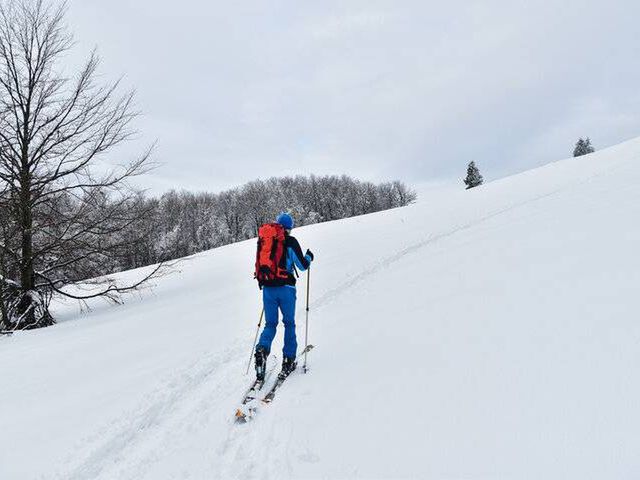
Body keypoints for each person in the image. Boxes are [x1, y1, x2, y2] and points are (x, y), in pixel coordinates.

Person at [255, 213, 313, 380]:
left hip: (268, 288)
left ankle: (262, 349)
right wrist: (309, 257)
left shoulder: (267, 240)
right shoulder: (291, 241)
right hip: (286, 288)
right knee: (289, 323)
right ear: (290, 228)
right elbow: (302, 266)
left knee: (270, 324)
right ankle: (288, 359)